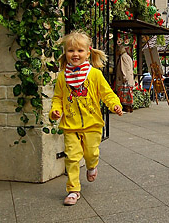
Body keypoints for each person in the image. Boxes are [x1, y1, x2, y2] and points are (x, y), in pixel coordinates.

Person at [50, 30, 123, 205]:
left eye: (80, 51)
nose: (75, 54)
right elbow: (58, 98)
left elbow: (107, 93)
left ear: (88, 53)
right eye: (71, 51)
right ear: (65, 53)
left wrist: (115, 104)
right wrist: (55, 111)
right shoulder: (62, 77)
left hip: (92, 124)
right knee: (72, 157)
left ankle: (91, 166)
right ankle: (73, 190)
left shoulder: (94, 74)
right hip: (70, 125)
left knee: (91, 153)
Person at [114, 43, 135, 113]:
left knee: (124, 95)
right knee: (128, 94)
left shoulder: (123, 57)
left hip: (125, 80)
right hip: (129, 79)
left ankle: (126, 108)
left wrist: (124, 78)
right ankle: (129, 107)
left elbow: (124, 69)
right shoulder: (127, 56)